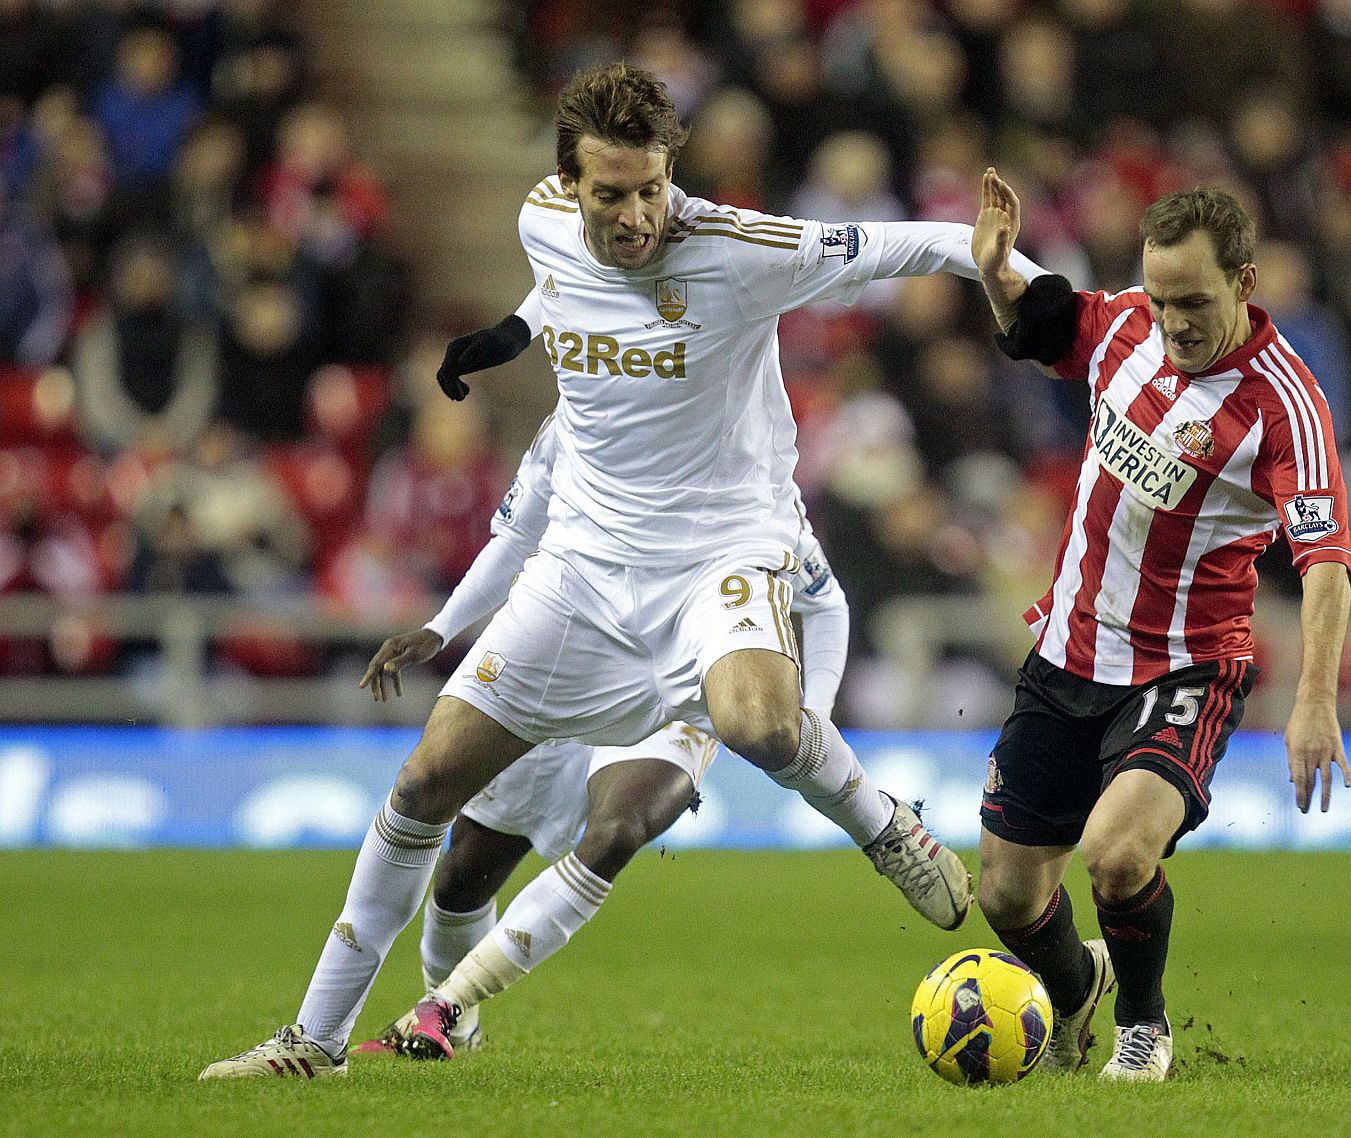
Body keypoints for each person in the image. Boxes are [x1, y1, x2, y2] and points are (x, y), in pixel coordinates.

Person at [200, 62, 1048, 1080]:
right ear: (569, 185)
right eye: (611, 195)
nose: (638, 216)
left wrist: (1013, 275)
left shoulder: (738, 250)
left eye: (652, 189)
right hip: (584, 569)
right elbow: (559, 284)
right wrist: (511, 334)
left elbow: (898, 245)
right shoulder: (541, 220)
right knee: (424, 784)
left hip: (723, 549)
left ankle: (886, 830)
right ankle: (315, 1042)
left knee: (759, 723)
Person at [967, 171, 1351, 1082]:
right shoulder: (1128, 326)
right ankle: (1077, 990)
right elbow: (1046, 324)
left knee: (1115, 854)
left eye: (1194, 302)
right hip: (1067, 651)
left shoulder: (1285, 406)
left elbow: (1326, 560)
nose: (1173, 321)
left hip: (1183, 667)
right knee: (1007, 894)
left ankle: (1143, 1026)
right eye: (1160, 297)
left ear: (1245, 283)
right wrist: (996, 274)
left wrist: (1316, 699)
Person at [341, 418, 849, 1059]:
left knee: (616, 830)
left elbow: (825, 600)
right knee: (463, 878)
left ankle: (446, 1006)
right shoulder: (575, 423)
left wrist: (815, 722)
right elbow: (514, 536)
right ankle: (456, 1030)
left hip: (674, 683)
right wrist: (441, 628)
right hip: (572, 661)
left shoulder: (730, 460)